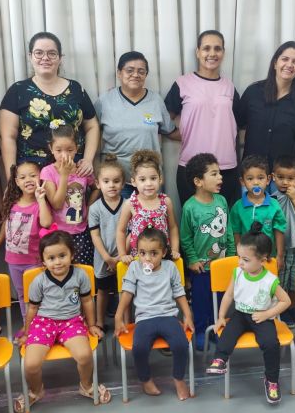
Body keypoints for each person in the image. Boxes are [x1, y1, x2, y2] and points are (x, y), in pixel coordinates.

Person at [16, 231, 111, 412]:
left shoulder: (80, 275)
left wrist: (91, 324)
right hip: (43, 323)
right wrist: (27, 332)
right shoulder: (39, 281)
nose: (57, 262)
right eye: (51, 258)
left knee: (84, 356)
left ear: (72, 255)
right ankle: (36, 391)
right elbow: (33, 309)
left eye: (62, 256)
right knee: (30, 364)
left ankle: (86, 386)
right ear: (43, 260)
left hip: (72, 322)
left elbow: (87, 301)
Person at [206, 223, 291, 404]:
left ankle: (272, 380)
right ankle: (220, 359)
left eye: (245, 259)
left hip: (261, 316)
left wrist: (268, 314)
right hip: (240, 314)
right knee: (227, 334)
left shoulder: (270, 280)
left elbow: (286, 301)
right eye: (239, 257)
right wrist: (221, 317)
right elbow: (229, 295)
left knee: (270, 344)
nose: (240, 263)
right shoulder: (237, 272)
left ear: (262, 260)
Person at [0, 32, 99, 178]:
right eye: (39, 53)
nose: (45, 58)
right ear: (30, 56)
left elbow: (92, 126)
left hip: (72, 172)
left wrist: (88, 160)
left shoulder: (76, 89)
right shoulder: (17, 91)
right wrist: (11, 177)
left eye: (52, 53)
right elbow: (8, 137)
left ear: (60, 58)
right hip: (32, 176)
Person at [114, 228, 195, 401]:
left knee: (181, 345)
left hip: (168, 316)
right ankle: (145, 379)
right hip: (144, 318)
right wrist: (118, 316)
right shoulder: (135, 267)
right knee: (139, 348)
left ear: (164, 252)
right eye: (142, 253)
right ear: (137, 252)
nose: (147, 258)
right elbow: (127, 292)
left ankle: (179, 379)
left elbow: (179, 293)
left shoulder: (170, 267)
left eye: (154, 253)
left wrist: (187, 315)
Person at [165, 30, 241, 206]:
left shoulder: (229, 87)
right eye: (206, 48)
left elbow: (238, 123)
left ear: (223, 52)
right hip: (192, 168)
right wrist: (184, 134)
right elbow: (164, 121)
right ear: (198, 52)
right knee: (193, 225)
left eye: (217, 48)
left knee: (222, 223)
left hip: (226, 168)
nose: (212, 53)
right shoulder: (183, 83)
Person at [95, 51, 180, 198]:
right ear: (119, 73)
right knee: (118, 221)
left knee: (148, 221)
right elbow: (92, 133)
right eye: (129, 70)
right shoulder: (104, 101)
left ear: (146, 75)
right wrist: (95, 169)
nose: (136, 74)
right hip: (115, 180)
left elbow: (170, 131)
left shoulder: (155, 101)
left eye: (141, 71)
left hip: (148, 179)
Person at [238, 41, 295, 195]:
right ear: (275, 63)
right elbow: (238, 125)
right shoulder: (253, 92)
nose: (289, 65)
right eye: (285, 59)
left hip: (284, 178)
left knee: (282, 219)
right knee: (250, 218)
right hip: (252, 176)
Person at [0, 161, 54, 323]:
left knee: (38, 296)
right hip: (13, 261)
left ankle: (43, 325)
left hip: (34, 262)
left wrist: (41, 199)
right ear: (16, 182)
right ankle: (27, 326)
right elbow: (6, 226)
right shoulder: (12, 203)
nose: (28, 180)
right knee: (22, 295)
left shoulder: (39, 205)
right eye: (22, 177)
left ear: (40, 178)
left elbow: (46, 223)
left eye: (33, 175)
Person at [180, 153, 236, 350]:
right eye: (214, 174)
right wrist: (192, 260)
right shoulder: (190, 207)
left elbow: (228, 230)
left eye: (220, 173)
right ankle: (202, 331)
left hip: (222, 265)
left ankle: (215, 328)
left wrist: (231, 257)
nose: (220, 178)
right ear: (198, 181)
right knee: (201, 301)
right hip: (201, 267)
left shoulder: (221, 201)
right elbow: (185, 238)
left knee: (220, 301)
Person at [41, 123, 96, 264]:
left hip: (81, 231)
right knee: (62, 269)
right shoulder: (47, 172)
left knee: (83, 271)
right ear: (51, 149)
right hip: (59, 234)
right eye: (58, 150)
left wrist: (90, 207)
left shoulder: (82, 169)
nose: (64, 155)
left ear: (77, 148)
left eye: (70, 150)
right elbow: (57, 204)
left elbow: (97, 188)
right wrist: (65, 175)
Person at [269, 155, 295, 326]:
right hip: (279, 248)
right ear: (273, 177)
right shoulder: (270, 198)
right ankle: (282, 308)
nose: (285, 182)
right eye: (280, 177)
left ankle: (292, 307)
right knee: (280, 280)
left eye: (290, 178)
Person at [116, 150, 180, 262]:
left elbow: (173, 227)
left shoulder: (166, 202)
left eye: (153, 178)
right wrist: (122, 254)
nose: (149, 183)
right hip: (139, 259)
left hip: (163, 259)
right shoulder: (130, 204)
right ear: (134, 182)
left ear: (160, 179)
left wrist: (175, 250)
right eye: (142, 179)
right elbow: (121, 231)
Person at [88, 154, 125, 330]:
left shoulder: (128, 205)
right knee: (102, 291)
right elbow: (95, 236)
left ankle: (126, 322)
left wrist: (120, 256)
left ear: (123, 184)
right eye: (107, 181)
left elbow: (131, 234)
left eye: (116, 181)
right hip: (103, 258)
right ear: (98, 184)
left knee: (126, 291)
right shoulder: (95, 209)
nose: (112, 185)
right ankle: (100, 322)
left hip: (124, 257)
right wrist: (108, 258)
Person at [229, 155, 286, 269]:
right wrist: (239, 255)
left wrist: (280, 255)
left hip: (269, 258)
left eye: (260, 178)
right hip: (246, 259)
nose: (256, 183)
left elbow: (279, 230)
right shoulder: (238, 206)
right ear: (242, 181)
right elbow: (236, 232)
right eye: (250, 179)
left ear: (268, 179)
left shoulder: (274, 205)